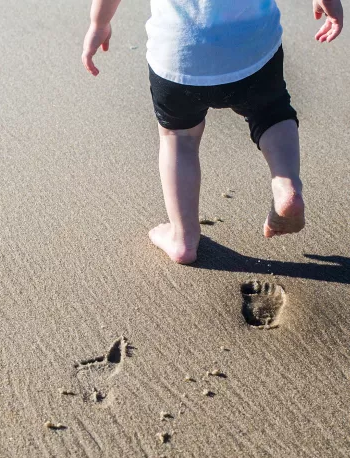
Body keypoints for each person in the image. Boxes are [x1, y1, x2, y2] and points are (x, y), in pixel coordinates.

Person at [82, 1, 344, 264]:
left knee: (179, 138)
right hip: (252, 50)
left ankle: (183, 238)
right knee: (271, 114)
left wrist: (99, 23)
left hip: (179, 56)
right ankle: (286, 183)